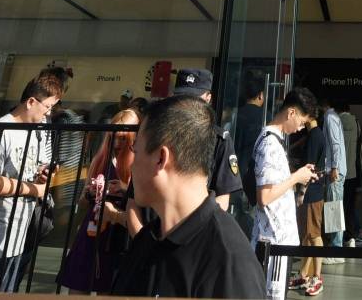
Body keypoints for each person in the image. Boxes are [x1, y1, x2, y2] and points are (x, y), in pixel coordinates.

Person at [110, 95, 266, 298]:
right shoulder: (146, 242)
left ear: (161, 158)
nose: (131, 165)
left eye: (135, 150)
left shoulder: (229, 265)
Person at [0, 73, 62, 292]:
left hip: (18, 236)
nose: (48, 113)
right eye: (47, 107)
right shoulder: (0, 130)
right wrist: (34, 189)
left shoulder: (38, 133)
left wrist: (42, 176)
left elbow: (33, 173)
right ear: (31, 101)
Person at [58, 106, 143, 295]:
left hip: (118, 235)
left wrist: (123, 189)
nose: (117, 142)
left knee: (109, 288)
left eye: (124, 137)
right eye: (114, 136)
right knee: (78, 285)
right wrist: (90, 193)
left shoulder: (140, 163)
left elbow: (142, 202)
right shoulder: (101, 159)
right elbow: (82, 203)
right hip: (92, 229)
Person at [252, 87, 319, 300]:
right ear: (291, 113)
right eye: (301, 121)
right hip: (272, 243)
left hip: (276, 241)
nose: (300, 128)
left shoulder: (273, 140)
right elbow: (264, 197)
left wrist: (297, 175)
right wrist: (295, 178)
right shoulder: (270, 143)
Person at [169, 68, 243, 213]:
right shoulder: (159, 134)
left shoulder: (219, 140)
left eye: (195, 98)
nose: (188, 103)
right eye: (182, 97)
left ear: (208, 98)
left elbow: (222, 199)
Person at [293, 107, 331, 294]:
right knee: (308, 235)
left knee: (314, 235)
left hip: (312, 192)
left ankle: (317, 277)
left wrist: (300, 193)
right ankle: (304, 275)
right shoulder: (316, 135)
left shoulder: (314, 137)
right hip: (314, 191)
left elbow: (309, 169)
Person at [232, 74, 266, 237]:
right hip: (254, 173)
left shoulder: (236, 115)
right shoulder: (263, 118)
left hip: (237, 170)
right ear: (260, 95)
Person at [320, 91, 346, 259]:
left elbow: (335, 145)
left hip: (334, 170)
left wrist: (334, 167)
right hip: (336, 168)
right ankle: (335, 245)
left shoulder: (329, 118)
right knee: (334, 207)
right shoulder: (334, 117)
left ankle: (336, 250)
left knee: (334, 208)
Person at [336, 101, 362, 246]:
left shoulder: (335, 122)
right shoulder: (357, 123)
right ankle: (351, 236)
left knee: (336, 204)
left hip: (338, 172)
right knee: (350, 205)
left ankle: (337, 238)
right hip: (353, 171)